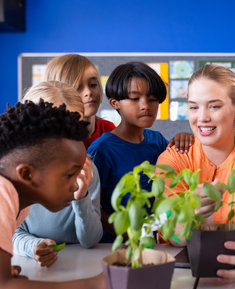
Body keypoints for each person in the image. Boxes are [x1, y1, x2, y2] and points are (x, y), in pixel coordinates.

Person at [157, 64, 235, 281]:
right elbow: (170, 232)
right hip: (187, 279)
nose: (202, 118)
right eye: (194, 107)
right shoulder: (173, 158)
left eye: (214, 107)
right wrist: (188, 215)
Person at [0, 100, 106, 289]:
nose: (76, 186)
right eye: (69, 175)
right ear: (27, 174)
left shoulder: (21, 205)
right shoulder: (2, 195)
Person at [13, 81, 102, 267]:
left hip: (79, 264)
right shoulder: (15, 172)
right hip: (27, 265)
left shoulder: (86, 169)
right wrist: (33, 246)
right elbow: (10, 232)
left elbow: (90, 240)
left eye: (75, 128)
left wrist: (81, 197)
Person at [87, 62, 169, 242]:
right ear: (115, 103)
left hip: (154, 243)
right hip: (114, 246)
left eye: (153, 99)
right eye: (134, 98)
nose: (145, 105)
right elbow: (92, 207)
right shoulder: (102, 149)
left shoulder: (159, 141)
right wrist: (128, 235)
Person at [44, 54, 116, 149]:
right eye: (77, 88)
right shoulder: (53, 139)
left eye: (93, 85)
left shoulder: (108, 129)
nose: (88, 92)